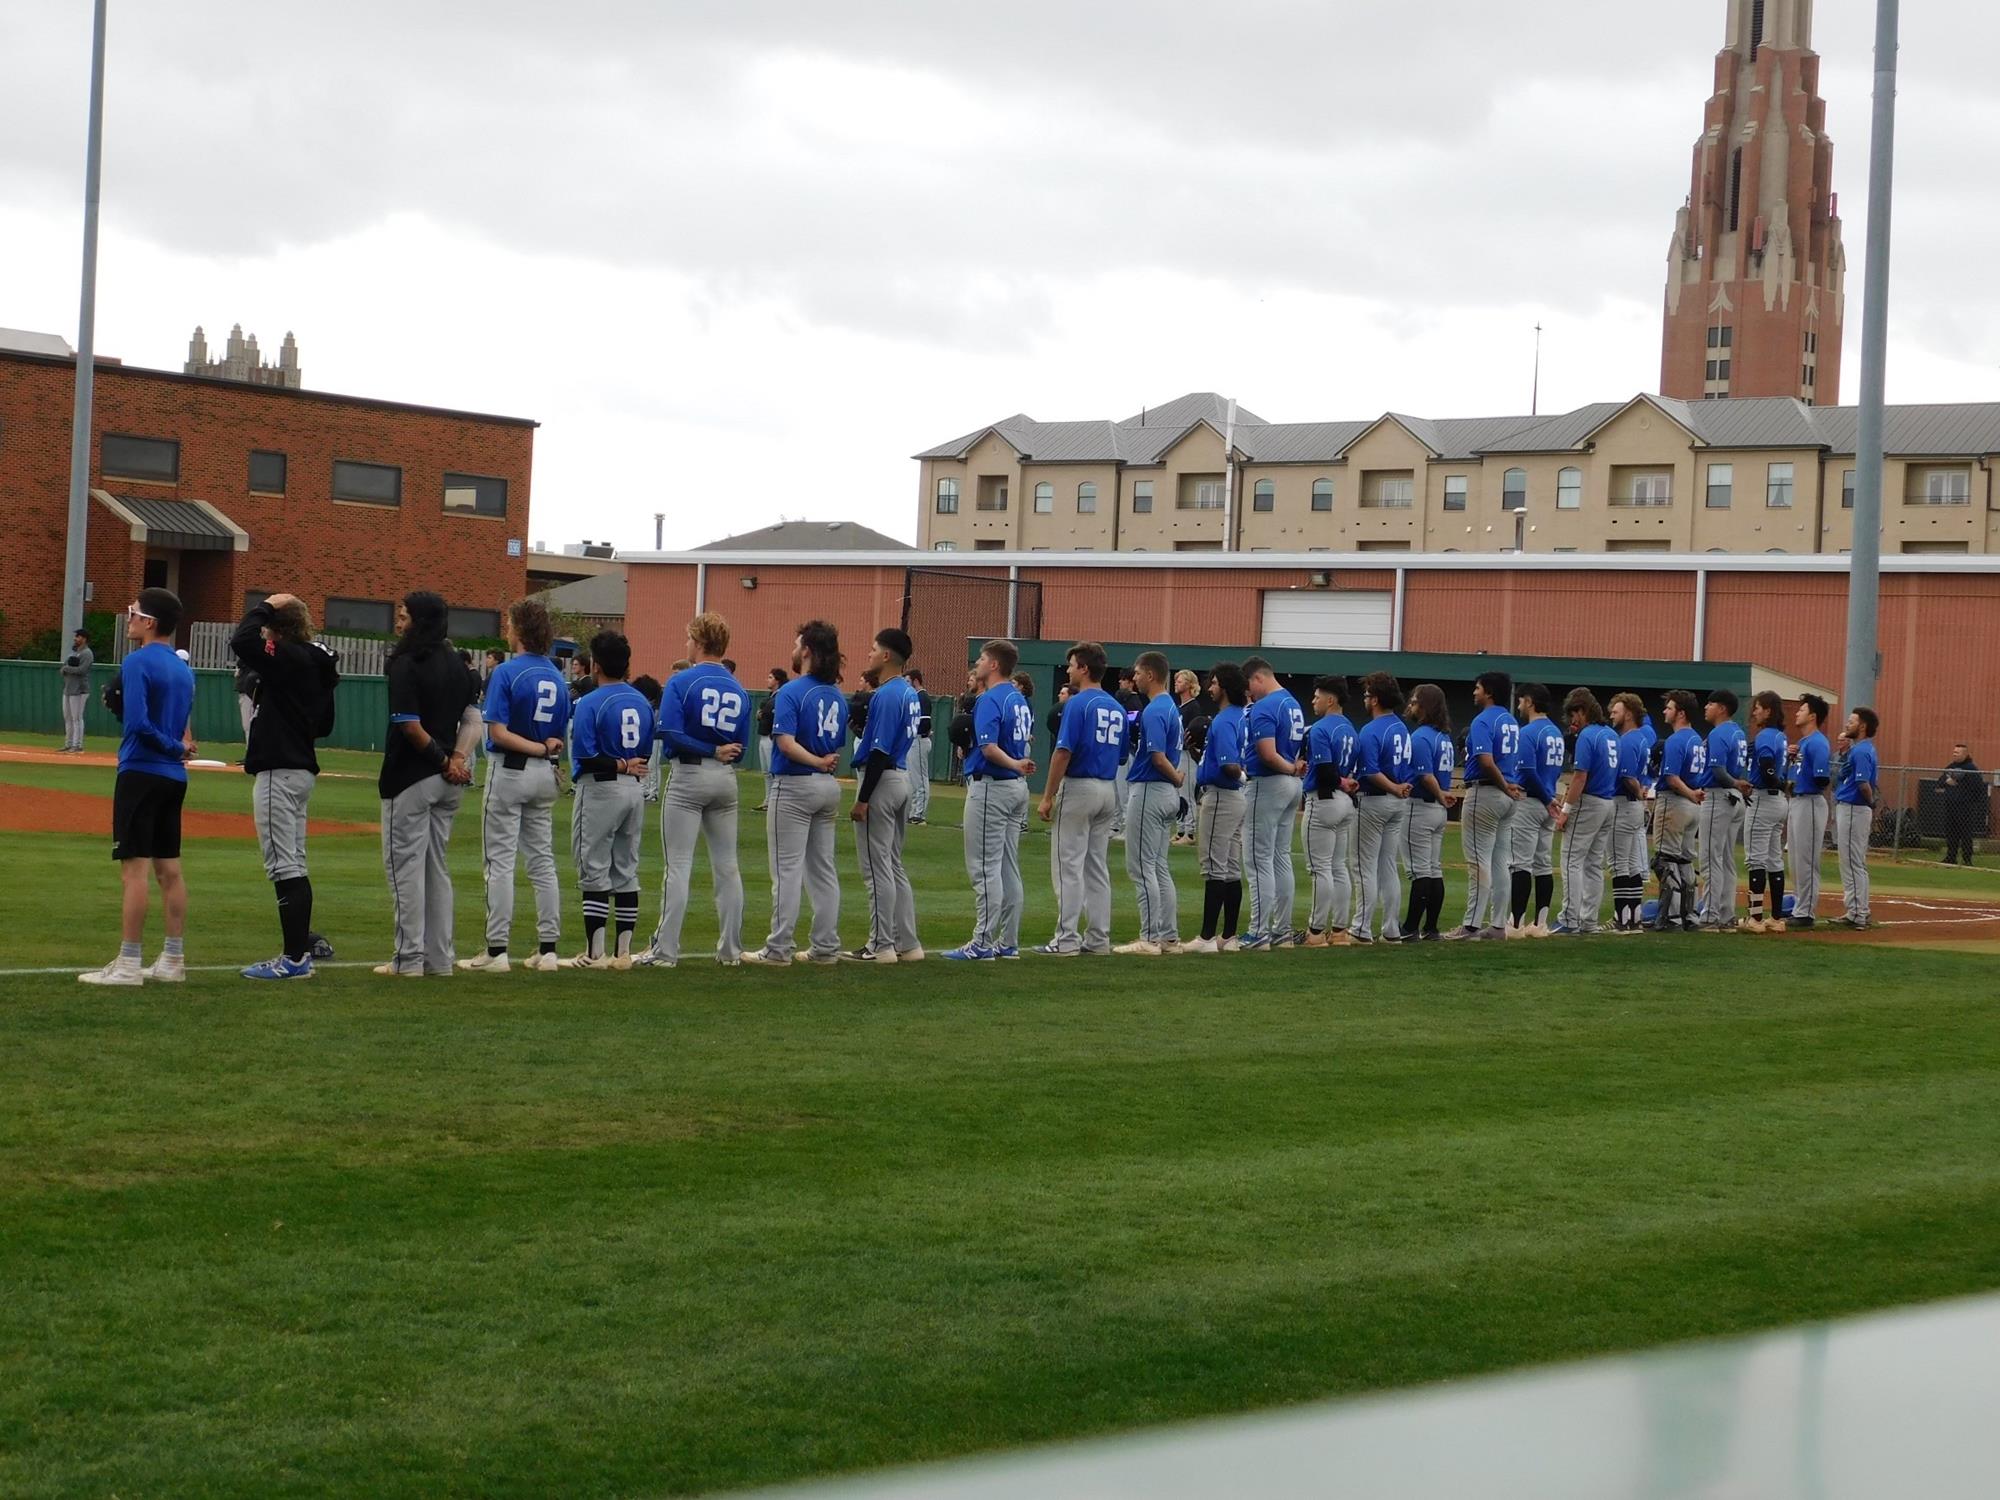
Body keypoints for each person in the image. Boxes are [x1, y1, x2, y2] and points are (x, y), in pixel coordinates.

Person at [80, 588, 196, 985]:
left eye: (133, 613)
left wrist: (172, 747)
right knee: (170, 870)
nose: (128, 618)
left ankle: (129, 963)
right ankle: (173, 960)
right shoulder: (183, 667)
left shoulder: (137, 662)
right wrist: (180, 748)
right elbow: (183, 724)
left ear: (149, 622)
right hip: (173, 779)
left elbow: (138, 725)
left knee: (134, 871)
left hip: (142, 771)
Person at [232, 593, 340, 980]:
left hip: (280, 767)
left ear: (278, 627)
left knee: (284, 865)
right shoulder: (315, 661)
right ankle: (300, 947)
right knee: (294, 861)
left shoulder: (291, 657)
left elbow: (241, 642)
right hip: (300, 768)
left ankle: (294, 959)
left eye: (268, 626)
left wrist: (264, 604)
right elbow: (325, 725)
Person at [460, 598, 569, 974]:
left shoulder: (507, 672)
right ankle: (549, 949)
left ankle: (496, 950)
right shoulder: (557, 675)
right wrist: (543, 747)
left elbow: (498, 733)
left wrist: (537, 746)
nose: (506, 630)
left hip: (512, 770)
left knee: (500, 862)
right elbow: (558, 735)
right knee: (542, 860)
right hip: (544, 774)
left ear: (519, 630)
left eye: (509, 624)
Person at [375, 592, 476, 978]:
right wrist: (458, 760)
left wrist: (441, 760)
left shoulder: (406, 662)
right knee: (437, 870)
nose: (398, 623)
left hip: (411, 777)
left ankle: (409, 959)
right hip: (447, 782)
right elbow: (472, 720)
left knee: (405, 871)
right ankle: (440, 958)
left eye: (404, 616)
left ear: (418, 621)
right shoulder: (459, 664)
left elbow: (409, 725)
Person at [641, 612, 748, 969]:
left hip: (690, 774)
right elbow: (741, 746)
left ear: (699, 642)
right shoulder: (738, 687)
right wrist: (718, 751)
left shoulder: (681, 681)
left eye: (689, 638)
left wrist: (708, 749)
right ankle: (731, 951)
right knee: (727, 866)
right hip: (725, 779)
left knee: (679, 864)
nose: (686, 644)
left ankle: (665, 951)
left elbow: (668, 732)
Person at [745, 621, 848, 965]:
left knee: (787, 870)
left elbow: (786, 743)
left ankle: (778, 949)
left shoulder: (791, 691)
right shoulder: (835, 692)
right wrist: (822, 762)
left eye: (796, 643)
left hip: (795, 784)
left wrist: (817, 761)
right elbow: (836, 747)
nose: (792, 649)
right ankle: (825, 946)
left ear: (807, 650)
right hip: (826, 787)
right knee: (822, 870)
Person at [562, 632, 650, 969]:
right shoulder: (641, 700)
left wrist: (618, 763)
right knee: (626, 870)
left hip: (600, 789)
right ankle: (623, 953)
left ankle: (595, 954)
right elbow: (644, 752)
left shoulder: (590, 702)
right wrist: (627, 764)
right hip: (633, 789)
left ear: (596, 665)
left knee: (594, 869)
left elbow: (585, 756)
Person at [945, 640, 1036, 961]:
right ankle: (1008, 941)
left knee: (984, 868)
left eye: (983, 658)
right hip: (1015, 789)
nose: (978, 662)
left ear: (994, 665)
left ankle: (982, 942)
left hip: (993, 786)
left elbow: (987, 748)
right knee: (1008, 867)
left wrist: (1012, 763)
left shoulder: (991, 698)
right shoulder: (1019, 699)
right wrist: (1018, 764)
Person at [1034, 642, 1121, 957]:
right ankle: (1098, 939)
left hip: (1080, 787)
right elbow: (1122, 754)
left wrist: (1047, 796)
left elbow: (1063, 751)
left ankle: (1066, 939)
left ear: (1084, 668)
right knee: (1096, 866)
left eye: (1072, 665)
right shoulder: (1117, 706)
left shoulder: (1078, 703)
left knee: (1067, 865)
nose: (1069, 670)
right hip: (1108, 788)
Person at [846, 628, 924, 964]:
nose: (870, 653)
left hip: (882, 779)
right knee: (893, 865)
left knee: (877, 869)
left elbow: (878, 751)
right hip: (901, 777)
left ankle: (881, 945)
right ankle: (908, 943)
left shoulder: (888, 694)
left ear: (887, 655)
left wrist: (862, 798)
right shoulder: (908, 692)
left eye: (874, 649)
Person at [1113, 651, 1185, 956]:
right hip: (1164, 793)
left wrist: (1178, 778)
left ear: (1151, 675)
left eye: (1139, 673)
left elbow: (1157, 756)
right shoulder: (1170, 707)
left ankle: (1150, 937)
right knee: (1158, 866)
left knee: (1142, 867)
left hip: (1151, 790)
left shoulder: (1155, 710)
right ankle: (1168, 936)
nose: (1135, 678)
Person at [1240, 657, 1306, 950]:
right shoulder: (1293, 702)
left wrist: (1290, 768)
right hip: (1291, 784)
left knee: (1258, 859)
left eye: (1250, 687)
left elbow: (1267, 754)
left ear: (1258, 679)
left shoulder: (1265, 706)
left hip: (1269, 781)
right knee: (1280, 857)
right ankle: (1282, 930)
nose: (1249, 694)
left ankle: (1259, 932)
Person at [1185, 662, 1249, 954]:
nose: (1210, 688)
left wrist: (1241, 776)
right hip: (1233, 797)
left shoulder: (1224, 720)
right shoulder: (1239, 716)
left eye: (1212, 683)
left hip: (1222, 796)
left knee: (1214, 866)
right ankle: (1229, 936)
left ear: (1223, 685)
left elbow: (1227, 764)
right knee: (1231, 868)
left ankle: (1207, 937)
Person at [1452, 671, 1521, 940]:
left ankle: (1470, 925)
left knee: (1478, 861)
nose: (1474, 692)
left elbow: (1485, 760)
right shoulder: (1512, 721)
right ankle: (1498, 925)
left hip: (1487, 791)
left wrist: (1503, 785)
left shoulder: (1483, 720)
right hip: (1508, 795)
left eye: (1478, 688)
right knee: (1500, 862)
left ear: (1489, 692)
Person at [1348, 672, 1412, 944]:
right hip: (1398, 802)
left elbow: (1371, 771)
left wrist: (1393, 788)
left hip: (1375, 799)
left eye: (1366, 695)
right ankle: (1391, 929)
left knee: (1363, 866)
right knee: (1387, 865)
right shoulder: (1401, 727)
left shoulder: (1372, 729)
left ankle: (1361, 928)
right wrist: (1399, 788)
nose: (1364, 699)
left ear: (1374, 699)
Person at [1553, 688, 1617, 936]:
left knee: (1571, 859)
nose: (1572, 721)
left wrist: (1566, 810)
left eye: (1574, 714)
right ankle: (1588, 920)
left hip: (1589, 802)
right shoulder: (1611, 734)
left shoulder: (1587, 736)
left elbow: (1580, 776)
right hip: (1608, 802)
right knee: (1593, 863)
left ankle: (1569, 919)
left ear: (1582, 710)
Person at [1302, 675, 1360, 947]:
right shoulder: (1351, 728)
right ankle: (1339, 931)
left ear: (1331, 699)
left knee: (1320, 868)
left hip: (1324, 799)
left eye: (1317, 696)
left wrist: (1339, 780)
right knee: (1338, 867)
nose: (1313, 700)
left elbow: (1325, 771)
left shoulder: (1320, 728)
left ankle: (1314, 932)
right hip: (1346, 802)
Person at [1400, 682, 1455, 942]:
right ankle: (1430, 928)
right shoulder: (1443, 737)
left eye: (1415, 700)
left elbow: (1424, 774)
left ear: (1426, 706)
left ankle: (1410, 927)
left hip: (1421, 807)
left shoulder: (1421, 736)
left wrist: (1439, 793)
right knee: (1433, 869)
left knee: (1421, 871)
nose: (1411, 704)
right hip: (1437, 811)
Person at [1651, 690, 1708, 933]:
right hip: (1692, 805)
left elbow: (1671, 778)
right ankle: (1690, 915)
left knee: (1666, 860)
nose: (1665, 711)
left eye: (1670, 707)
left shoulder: (1676, 740)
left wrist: (1689, 794)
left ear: (1681, 713)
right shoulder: (1696, 739)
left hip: (1675, 801)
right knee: (1685, 859)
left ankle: (1670, 917)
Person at [1699, 689, 1750, 930]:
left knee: (1710, 858)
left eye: (1710, 704)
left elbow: (1719, 771)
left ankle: (1710, 914)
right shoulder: (1738, 732)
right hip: (1734, 799)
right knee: (1727, 859)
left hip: (1719, 796)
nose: (1706, 707)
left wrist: (1733, 782)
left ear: (1722, 708)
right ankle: (1726, 913)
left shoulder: (1719, 733)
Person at [1741, 691, 1790, 933]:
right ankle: (1777, 918)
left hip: (1763, 799)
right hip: (1779, 803)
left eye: (1759, 707)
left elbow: (1767, 765)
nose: (1755, 712)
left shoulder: (1765, 735)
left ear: (1769, 711)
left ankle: (1755, 918)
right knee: (1774, 858)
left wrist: (1777, 782)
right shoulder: (1780, 735)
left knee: (1756, 859)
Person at [1785, 694, 1834, 931]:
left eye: (1802, 710)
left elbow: (1822, 777)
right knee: (1795, 860)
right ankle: (1799, 907)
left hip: (1811, 801)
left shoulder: (1817, 742)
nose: (1797, 713)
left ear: (1813, 716)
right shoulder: (1803, 742)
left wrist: (1803, 766)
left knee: (1806, 859)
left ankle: (1806, 912)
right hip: (1797, 801)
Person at [1608, 693, 1653, 933]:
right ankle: (1634, 918)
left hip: (1624, 804)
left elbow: (1627, 777)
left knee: (1619, 864)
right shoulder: (1642, 739)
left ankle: (1621, 919)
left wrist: (1638, 792)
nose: (1612, 715)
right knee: (1633, 864)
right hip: (1635, 807)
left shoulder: (1626, 740)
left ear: (1628, 713)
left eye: (1616, 711)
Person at [1835, 706, 1880, 929]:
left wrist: (1870, 802)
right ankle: (1854, 910)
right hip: (1853, 808)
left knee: (1852, 862)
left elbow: (1863, 784)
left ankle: (1859, 912)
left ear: (1862, 726)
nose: (1847, 724)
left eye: (1852, 721)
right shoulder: (1861, 749)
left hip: (1854, 808)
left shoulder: (1861, 750)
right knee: (1852, 861)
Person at [1173, 669, 1207, 845]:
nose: (1177, 682)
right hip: (1179, 752)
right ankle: (1180, 830)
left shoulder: (1193, 706)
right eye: (1177, 680)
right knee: (1179, 793)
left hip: (1188, 754)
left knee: (1187, 793)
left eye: (1181, 680)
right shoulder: (1180, 707)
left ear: (1189, 684)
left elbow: (1194, 733)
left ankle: (1190, 832)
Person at [1942, 742, 1982, 866]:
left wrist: (1967, 797)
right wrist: (1947, 781)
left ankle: (1967, 859)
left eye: (1957, 752)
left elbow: (1977, 787)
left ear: (1965, 754)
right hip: (1951, 806)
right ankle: (1951, 857)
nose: (1954, 754)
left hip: (1965, 807)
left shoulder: (1971, 768)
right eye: (1954, 752)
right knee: (1951, 832)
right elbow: (1941, 780)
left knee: (1965, 833)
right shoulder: (1950, 766)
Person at [754, 667, 787, 812]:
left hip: (771, 738)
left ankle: (776, 801)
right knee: (766, 772)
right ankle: (768, 800)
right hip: (763, 735)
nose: (768, 680)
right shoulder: (771, 696)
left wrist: (763, 714)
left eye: (770, 677)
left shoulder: (781, 696)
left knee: (772, 771)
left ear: (777, 680)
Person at [60, 626, 94, 753]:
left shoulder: (87, 653)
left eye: (78, 636)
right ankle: (68, 744)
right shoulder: (74, 652)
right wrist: (65, 668)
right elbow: (64, 667)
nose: (75, 639)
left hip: (80, 689)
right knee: (67, 717)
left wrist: (67, 669)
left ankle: (78, 745)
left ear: (84, 639)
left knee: (77, 717)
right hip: (68, 688)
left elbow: (82, 670)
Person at [907, 668, 934, 825]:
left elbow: (924, 723)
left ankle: (919, 814)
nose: (906, 684)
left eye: (908, 681)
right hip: (915, 740)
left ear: (915, 681)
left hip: (919, 739)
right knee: (912, 778)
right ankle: (913, 812)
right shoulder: (915, 696)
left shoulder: (922, 696)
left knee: (919, 779)